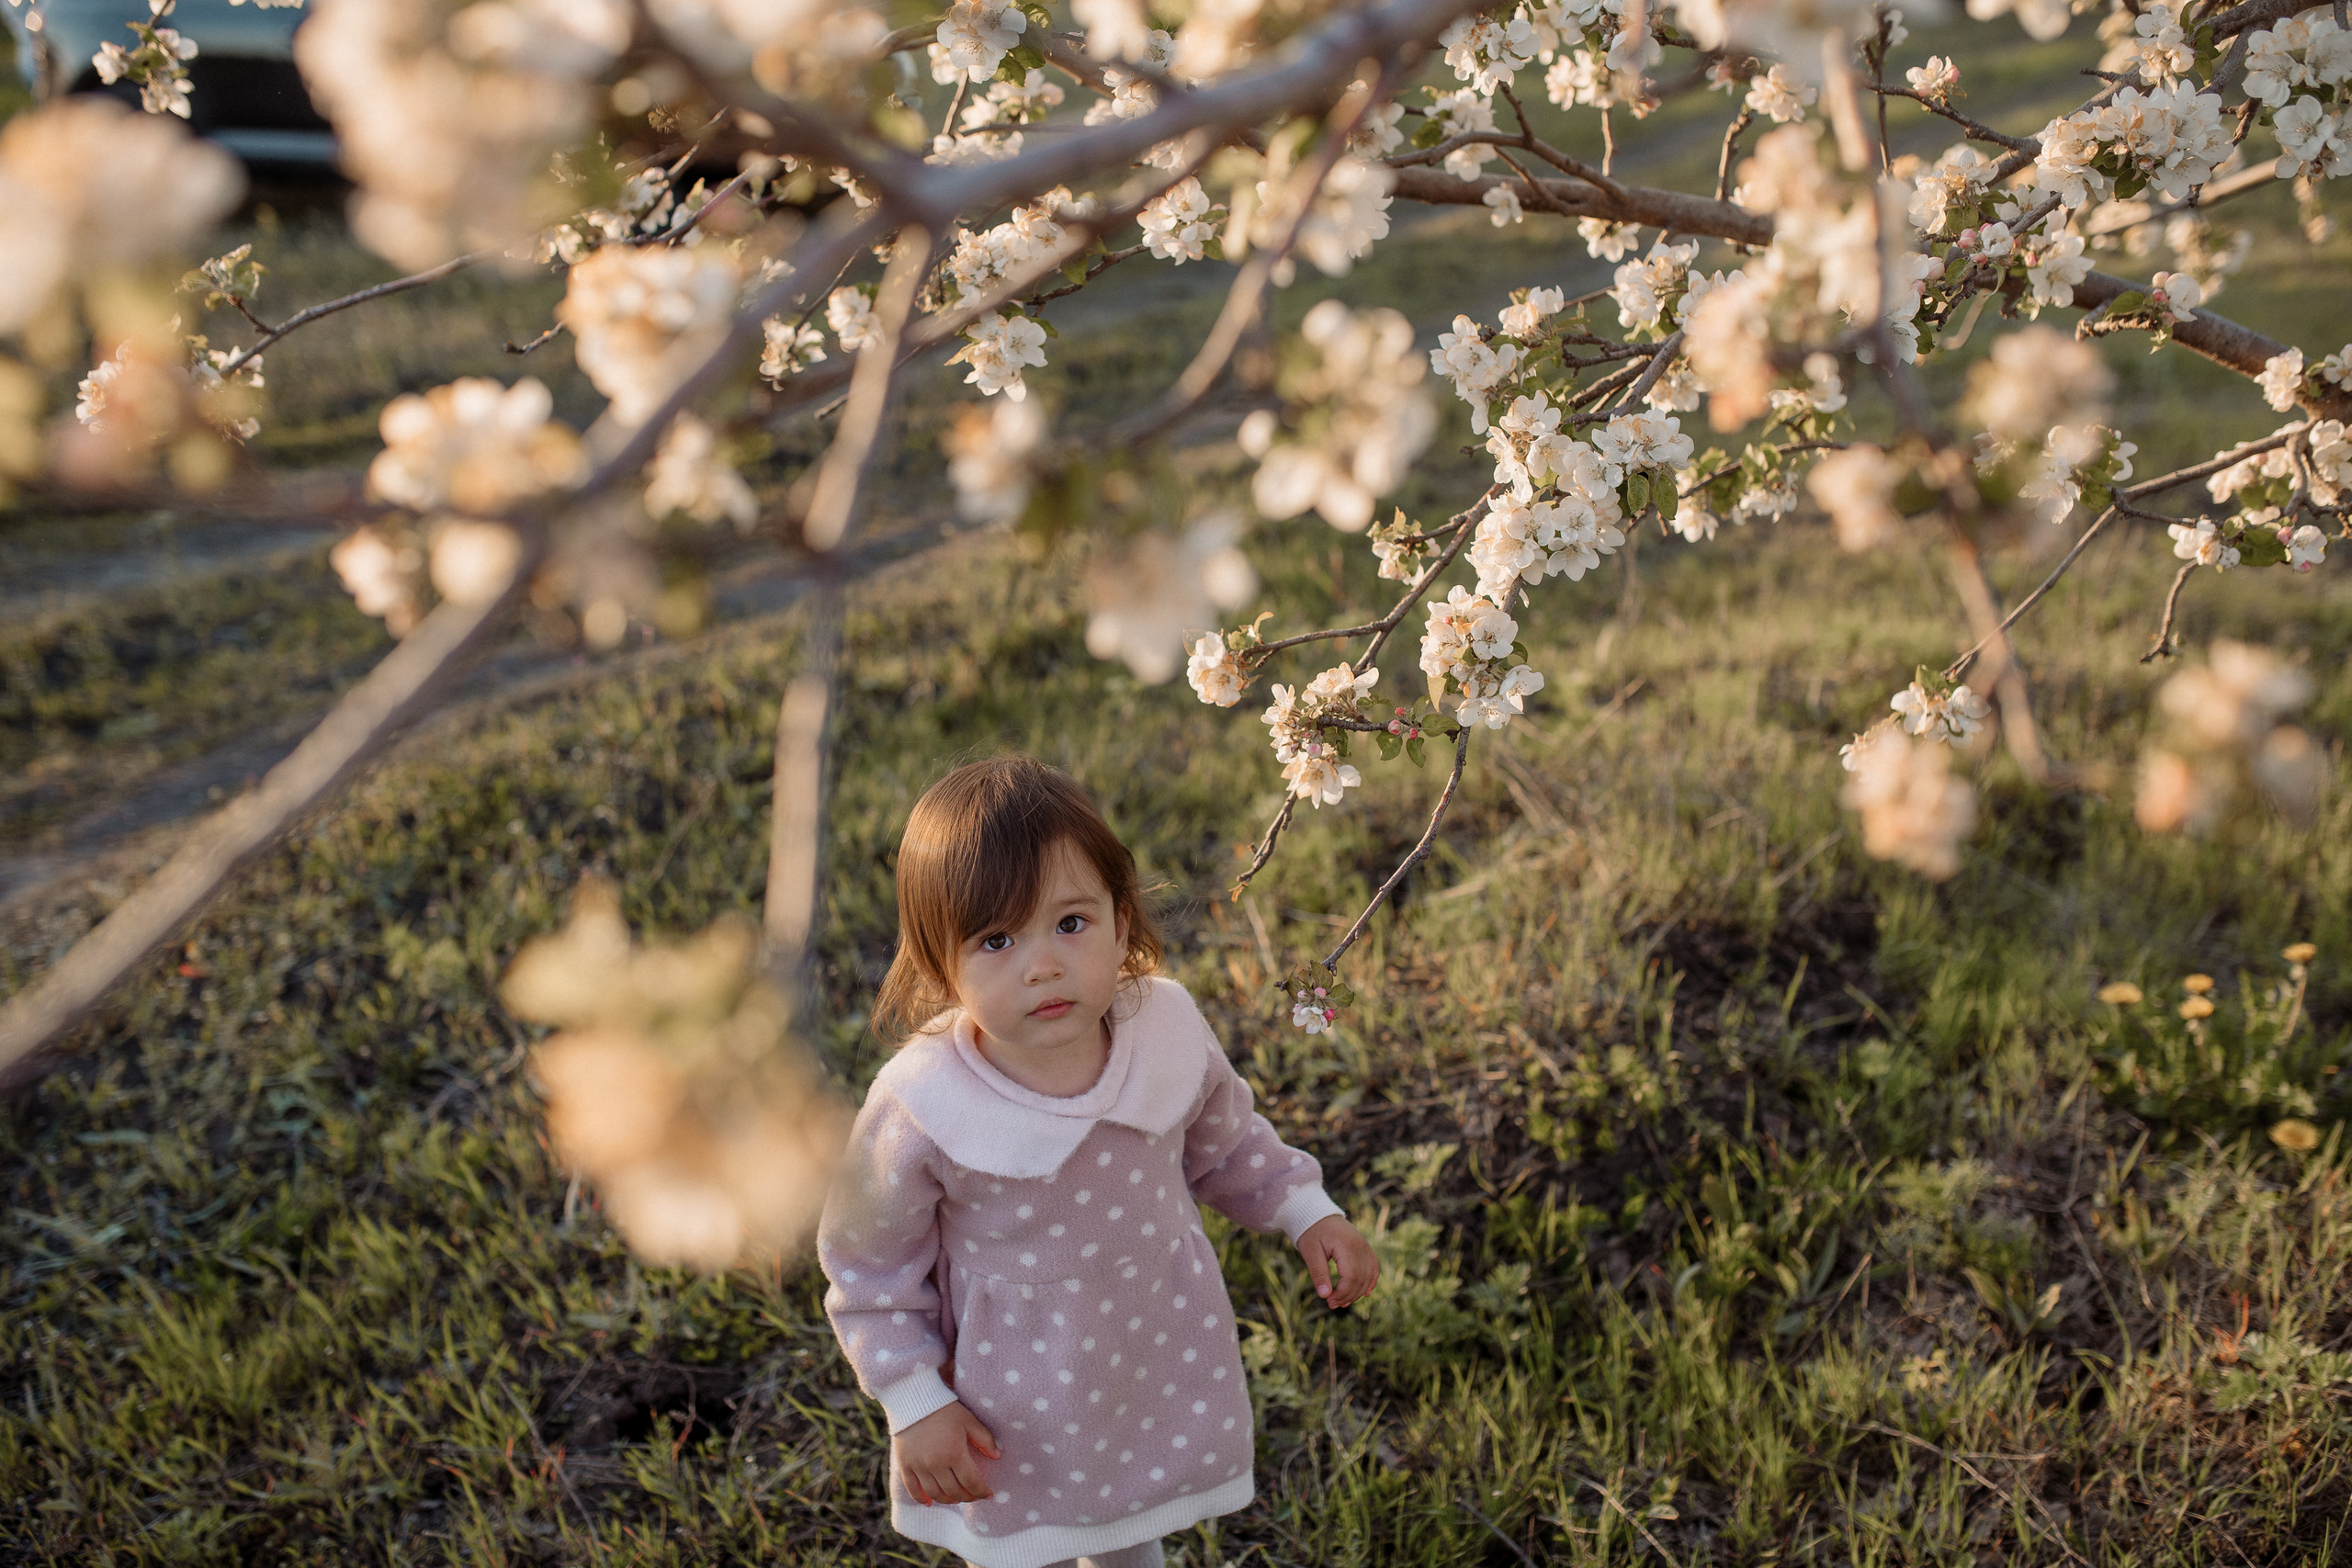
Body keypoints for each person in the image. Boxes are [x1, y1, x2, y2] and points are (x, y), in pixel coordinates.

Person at [818, 755, 1380, 1568]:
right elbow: (868, 1268)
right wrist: (915, 1399)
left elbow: (1227, 1142)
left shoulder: (1163, 1032)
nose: (1042, 964)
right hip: (1009, 1402)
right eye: (996, 939)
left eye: (1071, 923)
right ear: (941, 965)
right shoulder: (925, 1104)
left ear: (1121, 920)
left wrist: (1306, 1210)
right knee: (1029, 1550)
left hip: (1148, 1356)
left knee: (1127, 1527)